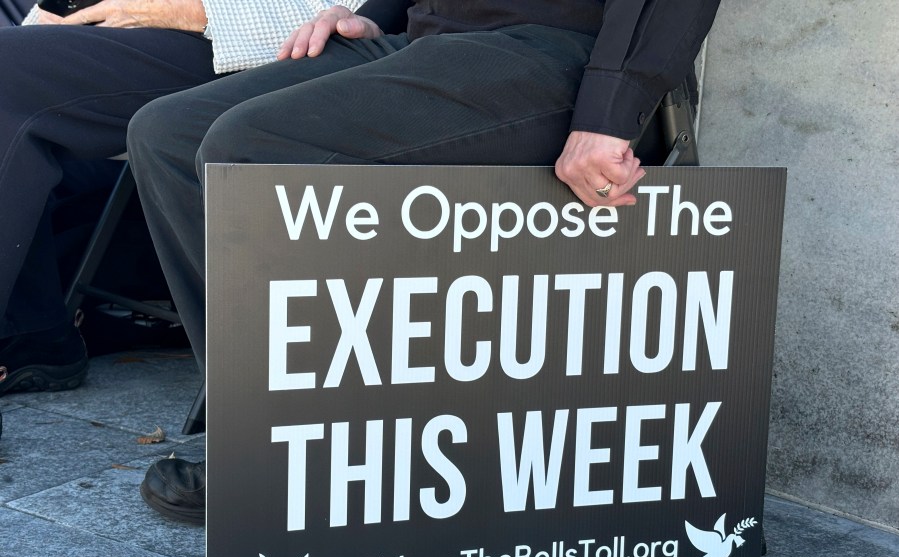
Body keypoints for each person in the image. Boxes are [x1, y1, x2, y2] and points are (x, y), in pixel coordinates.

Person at [130, 0, 721, 523]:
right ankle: (264, 423)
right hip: (433, 40)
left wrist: (608, 116)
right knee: (168, 133)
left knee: (248, 150)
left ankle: (280, 463)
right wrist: (373, 14)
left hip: (561, 53)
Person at [0, 0, 364, 400]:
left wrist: (186, 10)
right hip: (157, 28)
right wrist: (47, 23)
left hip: (261, 40)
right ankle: (29, 329)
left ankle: (32, 330)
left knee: (7, 68)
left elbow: (348, 13)